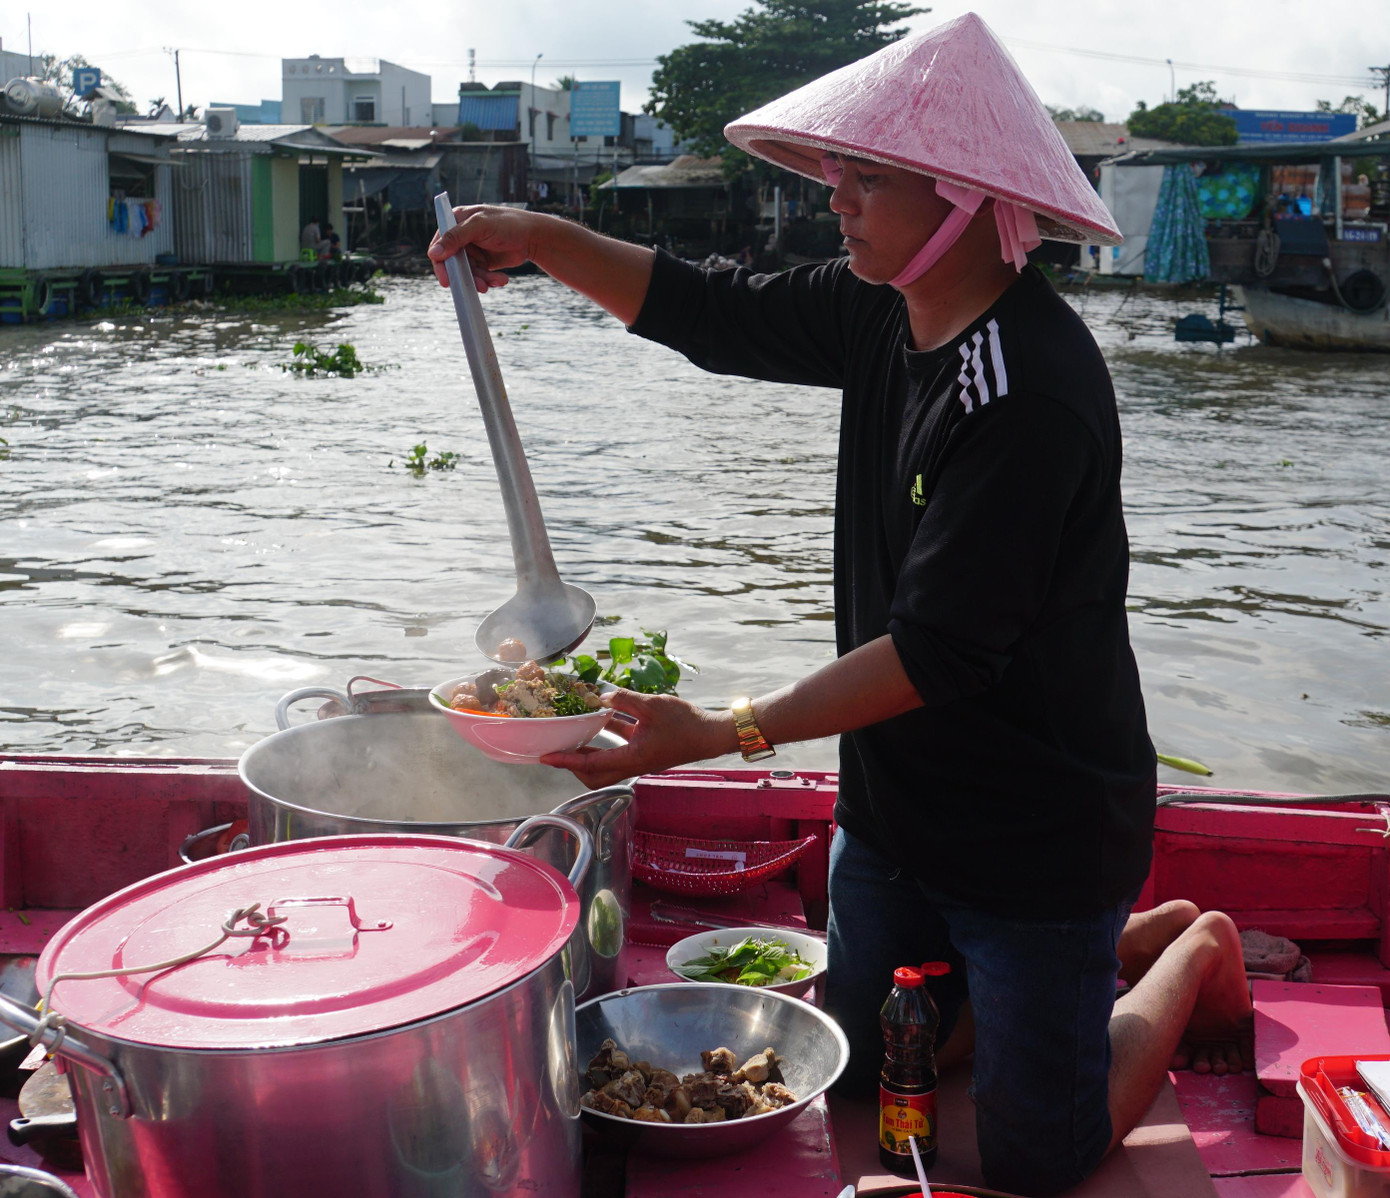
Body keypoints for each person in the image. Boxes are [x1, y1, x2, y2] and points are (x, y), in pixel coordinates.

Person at [429, 13, 1251, 1194]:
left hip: (1038, 836)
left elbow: (936, 649)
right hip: (896, 808)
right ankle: (1078, 973)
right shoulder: (883, 307)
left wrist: (719, 731)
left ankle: (1187, 946)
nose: (836, 198)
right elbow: (713, 311)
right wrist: (545, 237)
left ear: (965, 199)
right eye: (836, 172)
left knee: (1033, 1159)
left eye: (864, 177)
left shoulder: (1029, 391)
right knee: (869, 1078)